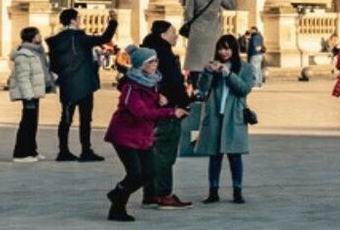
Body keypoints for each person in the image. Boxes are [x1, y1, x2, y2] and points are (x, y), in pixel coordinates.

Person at [103, 46, 188, 222]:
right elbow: (141, 112)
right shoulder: (131, 88)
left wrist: (160, 102)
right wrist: (170, 112)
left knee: (149, 172)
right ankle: (117, 207)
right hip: (124, 134)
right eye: (151, 62)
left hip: (143, 135)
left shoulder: (154, 82)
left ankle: (117, 194)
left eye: (156, 60)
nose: (155, 64)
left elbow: (150, 109)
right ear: (141, 65)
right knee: (134, 174)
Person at [184, 33, 255, 204]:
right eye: (220, 48)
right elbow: (202, 89)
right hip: (215, 114)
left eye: (227, 48)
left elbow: (244, 89)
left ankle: (237, 191)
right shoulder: (212, 66)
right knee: (214, 156)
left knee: (235, 156)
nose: (223, 52)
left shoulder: (245, 67)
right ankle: (213, 191)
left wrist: (228, 74)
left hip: (234, 116)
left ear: (234, 50)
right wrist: (208, 73)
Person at [137, 21, 194, 210]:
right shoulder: (163, 54)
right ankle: (164, 195)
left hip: (150, 111)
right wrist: (184, 102)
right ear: (163, 34)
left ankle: (150, 194)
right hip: (167, 110)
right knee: (165, 154)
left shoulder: (146, 52)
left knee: (153, 152)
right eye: (173, 32)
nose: (176, 35)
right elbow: (172, 82)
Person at [48, 6, 117, 162]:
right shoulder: (81, 38)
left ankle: (63, 151)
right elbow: (105, 38)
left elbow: (53, 66)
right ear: (73, 20)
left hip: (67, 84)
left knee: (65, 119)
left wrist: (65, 73)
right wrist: (113, 22)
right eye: (78, 18)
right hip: (85, 84)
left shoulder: (55, 41)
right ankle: (86, 150)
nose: (80, 21)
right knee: (85, 120)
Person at [6, 26, 54, 163]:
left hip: (35, 91)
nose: (41, 36)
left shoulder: (37, 52)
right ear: (33, 37)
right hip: (29, 93)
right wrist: (28, 95)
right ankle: (20, 153)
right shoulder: (24, 54)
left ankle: (32, 150)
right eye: (38, 34)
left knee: (33, 123)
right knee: (27, 123)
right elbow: (23, 77)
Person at [180, 0, 235, 69]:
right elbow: (230, 6)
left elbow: (188, 16)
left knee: (196, 66)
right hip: (214, 33)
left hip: (197, 34)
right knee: (213, 62)